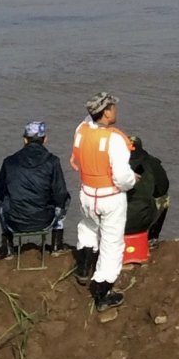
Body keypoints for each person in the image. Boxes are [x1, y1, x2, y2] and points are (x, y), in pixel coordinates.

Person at [69, 92, 135, 314]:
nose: (116, 110)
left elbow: (88, 122)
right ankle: (102, 289)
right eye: (113, 107)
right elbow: (122, 178)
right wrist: (132, 180)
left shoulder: (82, 131)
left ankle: (83, 267)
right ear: (106, 112)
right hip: (110, 197)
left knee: (87, 227)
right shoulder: (114, 140)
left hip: (87, 194)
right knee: (112, 244)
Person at [0, 120, 69, 258]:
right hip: (45, 220)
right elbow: (61, 193)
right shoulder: (53, 161)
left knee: (1, 201)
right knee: (64, 198)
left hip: (15, 221)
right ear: (45, 139)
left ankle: (8, 248)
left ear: (24, 139)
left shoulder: (9, 161)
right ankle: (56, 245)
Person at [124, 134, 169, 245]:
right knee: (165, 199)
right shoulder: (152, 163)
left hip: (114, 221)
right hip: (142, 218)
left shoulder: (113, 164)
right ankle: (152, 238)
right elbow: (163, 188)